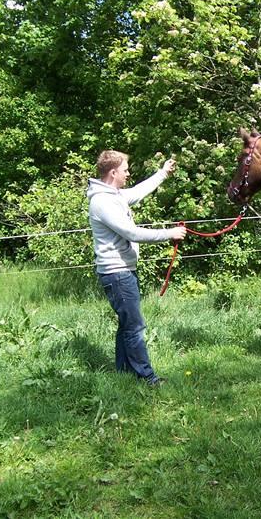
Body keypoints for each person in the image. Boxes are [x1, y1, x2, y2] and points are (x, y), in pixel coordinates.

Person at [87, 150, 186, 386]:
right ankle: (147, 377)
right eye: (125, 170)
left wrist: (163, 173)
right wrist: (169, 233)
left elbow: (139, 191)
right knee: (134, 327)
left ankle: (124, 372)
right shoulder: (102, 201)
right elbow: (131, 233)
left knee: (127, 325)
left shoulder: (114, 195)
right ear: (113, 173)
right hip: (117, 273)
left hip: (122, 271)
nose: (128, 174)